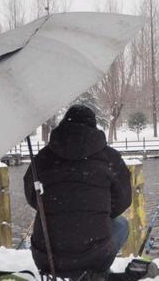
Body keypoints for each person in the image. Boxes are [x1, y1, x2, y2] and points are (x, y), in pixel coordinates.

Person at [24, 104, 132, 280]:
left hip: (47, 256)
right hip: (95, 257)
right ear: (93, 126)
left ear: (64, 123)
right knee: (121, 224)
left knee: (49, 222)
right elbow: (123, 200)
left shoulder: (43, 157)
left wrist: (56, 206)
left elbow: (31, 196)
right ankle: (97, 272)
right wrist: (98, 212)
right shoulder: (109, 157)